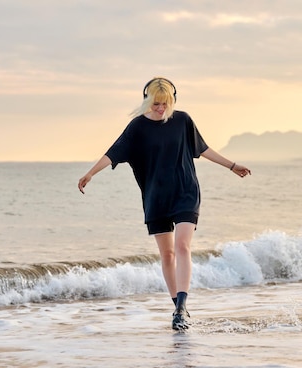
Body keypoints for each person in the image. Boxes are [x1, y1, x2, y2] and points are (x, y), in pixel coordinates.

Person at [78, 77, 251, 330]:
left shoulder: (182, 120)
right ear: (148, 100)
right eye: (157, 104)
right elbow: (113, 152)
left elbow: (202, 149)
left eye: (166, 103)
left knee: (182, 247)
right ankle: (177, 308)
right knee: (167, 254)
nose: (161, 109)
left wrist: (232, 166)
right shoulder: (137, 127)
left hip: (185, 191)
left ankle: (181, 308)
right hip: (156, 196)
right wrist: (91, 173)